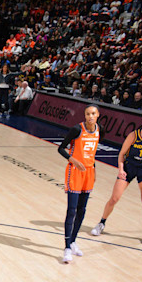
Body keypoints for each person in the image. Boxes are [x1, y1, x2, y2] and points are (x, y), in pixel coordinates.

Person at [91, 113, 142, 245]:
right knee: (114, 198)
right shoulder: (134, 135)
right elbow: (122, 153)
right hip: (129, 167)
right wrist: (121, 169)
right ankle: (101, 223)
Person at [57, 105, 100, 263]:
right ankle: (67, 247)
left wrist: (94, 169)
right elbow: (60, 149)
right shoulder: (77, 129)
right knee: (72, 209)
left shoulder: (99, 129)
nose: (90, 116)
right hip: (75, 171)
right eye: (88, 113)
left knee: (82, 209)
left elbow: (93, 152)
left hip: (89, 172)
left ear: (98, 115)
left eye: (93, 113)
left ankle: (73, 241)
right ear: (85, 115)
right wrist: (72, 159)